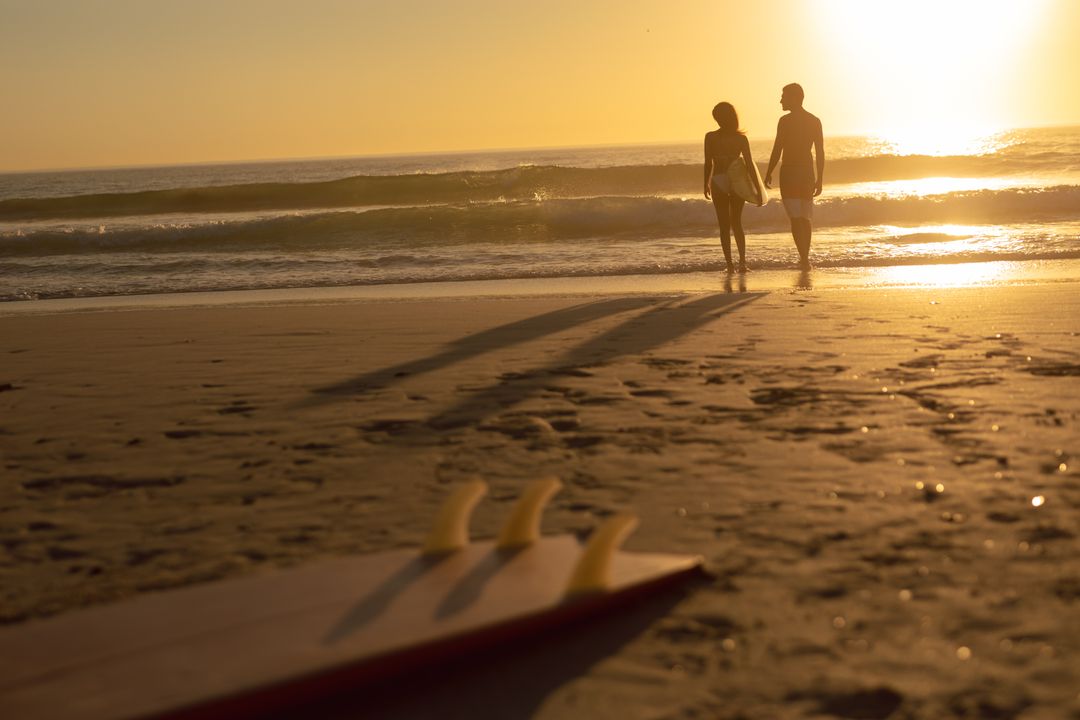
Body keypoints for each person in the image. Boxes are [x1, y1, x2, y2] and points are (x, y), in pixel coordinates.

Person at [764, 83, 824, 269]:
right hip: (805, 172)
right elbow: (820, 153)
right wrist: (819, 178)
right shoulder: (814, 120)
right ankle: (805, 258)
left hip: (790, 173)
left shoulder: (785, 121)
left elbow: (777, 148)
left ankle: (804, 258)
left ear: (795, 98)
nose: (781, 100)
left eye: (784, 96)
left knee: (797, 218)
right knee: (804, 217)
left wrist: (769, 172)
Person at [704, 102, 756, 273]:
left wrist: (706, 182)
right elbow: (748, 164)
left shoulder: (711, 137)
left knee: (725, 225)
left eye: (719, 117)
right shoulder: (740, 138)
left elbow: (708, 163)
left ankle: (732, 265)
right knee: (735, 223)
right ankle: (740, 263)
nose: (718, 121)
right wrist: (755, 187)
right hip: (735, 181)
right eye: (716, 118)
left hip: (719, 180)